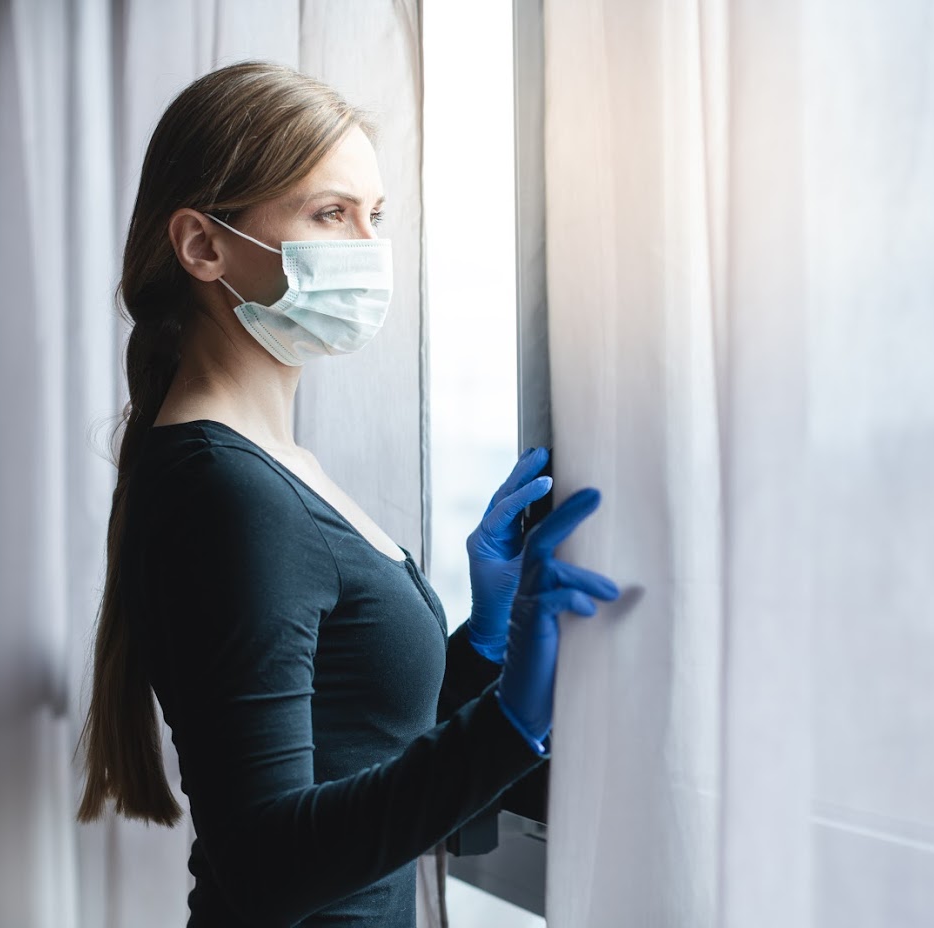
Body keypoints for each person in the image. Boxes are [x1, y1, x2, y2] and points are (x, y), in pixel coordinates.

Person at [74, 61, 620, 927]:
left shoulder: (267, 463)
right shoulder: (227, 490)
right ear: (203, 245)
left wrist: (481, 646)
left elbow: (356, 753)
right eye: (332, 215)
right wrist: (513, 720)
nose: (370, 252)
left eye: (376, 217)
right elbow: (267, 862)